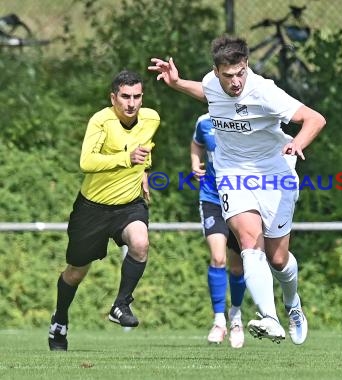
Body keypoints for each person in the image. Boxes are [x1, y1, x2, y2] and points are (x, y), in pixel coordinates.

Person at [148, 35, 326, 345]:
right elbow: (205, 93)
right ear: (216, 71)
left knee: (279, 259)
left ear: (247, 66)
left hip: (275, 173)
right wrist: (176, 83)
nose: (235, 82)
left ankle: (292, 304)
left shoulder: (264, 92)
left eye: (240, 73)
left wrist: (297, 142)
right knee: (247, 242)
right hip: (232, 173)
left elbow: (314, 118)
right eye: (228, 75)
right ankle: (269, 318)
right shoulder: (212, 82)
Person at [48, 70, 160, 351]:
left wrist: (145, 170)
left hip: (129, 205)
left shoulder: (151, 118)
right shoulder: (101, 120)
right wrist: (126, 158)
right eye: (125, 97)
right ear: (114, 98)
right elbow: (86, 161)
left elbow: (145, 149)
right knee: (76, 271)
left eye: (136, 96)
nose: (131, 103)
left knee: (140, 242)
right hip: (92, 208)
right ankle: (59, 321)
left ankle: (120, 305)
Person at [191, 112, 247, 348]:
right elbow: (196, 143)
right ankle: (218, 321)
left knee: (237, 266)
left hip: (242, 199)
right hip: (212, 198)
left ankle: (235, 316)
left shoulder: (248, 119)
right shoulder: (204, 121)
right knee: (217, 257)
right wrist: (195, 165)